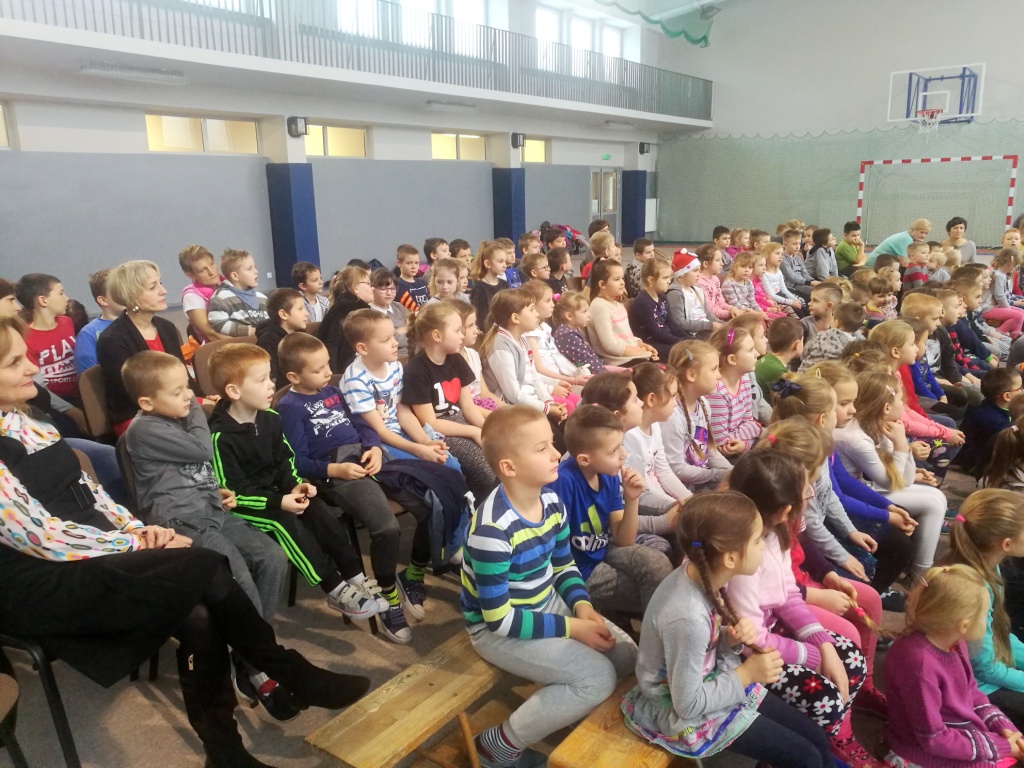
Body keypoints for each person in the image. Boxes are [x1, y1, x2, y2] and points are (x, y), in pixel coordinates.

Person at [0, 316, 369, 768]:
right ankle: (282, 666)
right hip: (39, 577)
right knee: (205, 564)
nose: (33, 367)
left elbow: (90, 494)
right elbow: (40, 536)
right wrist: (136, 543)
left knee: (200, 615)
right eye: (14, 362)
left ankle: (225, 751)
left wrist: (135, 529)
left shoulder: (27, 422)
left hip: (95, 548)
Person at [122, 350, 303, 721]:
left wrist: (216, 490)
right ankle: (258, 667)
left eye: (187, 386)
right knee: (241, 581)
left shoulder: (176, 415)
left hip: (211, 510)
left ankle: (246, 652)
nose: (188, 395)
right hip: (181, 521)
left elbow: (194, 469)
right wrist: (197, 406)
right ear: (147, 402)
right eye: (177, 392)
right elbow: (202, 449)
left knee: (272, 558)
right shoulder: (143, 429)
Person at [461, 405, 637, 768]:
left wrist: (582, 606)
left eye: (551, 444)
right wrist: (572, 627)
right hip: (497, 630)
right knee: (597, 678)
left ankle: (568, 711)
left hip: (546, 603)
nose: (557, 453)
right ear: (509, 467)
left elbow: (563, 564)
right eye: (542, 448)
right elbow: (499, 620)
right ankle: (497, 746)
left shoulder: (551, 500)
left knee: (626, 656)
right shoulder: (493, 531)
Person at [622, 491, 834, 767]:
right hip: (685, 711)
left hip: (711, 681)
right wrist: (746, 674)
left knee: (816, 738)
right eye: (757, 540)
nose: (763, 545)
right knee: (807, 758)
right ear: (730, 558)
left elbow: (704, 646)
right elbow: (687, 704)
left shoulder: (704, 574)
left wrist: (729, 639)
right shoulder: (687, 615)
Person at [728, 449, 881, 767]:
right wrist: (814, 657)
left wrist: (822, 645)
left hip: (770, 632)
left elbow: (787, 594)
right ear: (785, 510)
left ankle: (827, 739)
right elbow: (751, 642)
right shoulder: (743, 556)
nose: (811, 492)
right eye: (806, 490)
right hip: (747, 657)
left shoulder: (774, 534)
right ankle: (807, 743)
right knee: (825, 698)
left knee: (850, 659)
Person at [275, 333, 430, 643]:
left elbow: (362, 425)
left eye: (327, 365)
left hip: (365, 456)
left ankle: (412, 574)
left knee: (428, 503)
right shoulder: (289, 408)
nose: (328, 372)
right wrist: (335, 470)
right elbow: (297, 461)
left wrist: (373, 447)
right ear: (293, 376)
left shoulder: (332, 391)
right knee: (386, 528)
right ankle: (388, 595)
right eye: (318, 369)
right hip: (337, 471)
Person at [884, 564, 1023, 768]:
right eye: (986, 615)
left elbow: (971, 691)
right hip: (921, 752)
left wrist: (1002, 727)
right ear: (964, 625)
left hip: (956, 733)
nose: (989, 621)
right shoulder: (920, 665)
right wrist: (1002, 746)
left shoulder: (955, 642)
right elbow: (933, 738)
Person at [553, 403, 673, 613]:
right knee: (656, 589)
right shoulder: (563, 482)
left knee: (658, 561)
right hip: (580, 570)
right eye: (613, 450)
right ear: (584, 460)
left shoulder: (608, 475)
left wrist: (632, 499)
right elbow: (557, 554)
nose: (623, 454)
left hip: (604, 548)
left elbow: (623, 539)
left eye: (621, 445)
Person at [833, 371, 947, 583]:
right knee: (932, 504)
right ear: (886, 408)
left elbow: (902, 477)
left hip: (865, 487)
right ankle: (920, 575)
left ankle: (917, 568)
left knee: (937, 497)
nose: (904, 406)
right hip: (861, 492)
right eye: (901, 401)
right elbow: (893, 482)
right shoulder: (854, 437)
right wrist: (902, 445)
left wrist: (907, 458)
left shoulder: (878, 425)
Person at [942, 490, 1024, 729]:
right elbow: (984, 667)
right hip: (974, 688)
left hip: (984, 670)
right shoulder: (973, 590)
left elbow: (998, 633)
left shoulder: (987, 566)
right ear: (1006, 544)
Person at [402, 301, 498, 501]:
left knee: (502, 455)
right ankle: (475, 512)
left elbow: (468, 407)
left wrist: (487, 430)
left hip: (461, 421)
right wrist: (473, 432)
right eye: (457, 330)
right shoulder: (416, 370)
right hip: (441, 433)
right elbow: (431, 422)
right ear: (437, 336)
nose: (462, 335)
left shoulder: (456, 360)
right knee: (486, 473)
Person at [341, 308, 458, 467]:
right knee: (432, 470)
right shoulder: (355, 380)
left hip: (402, 432)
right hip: (380, 443)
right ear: (363, 348)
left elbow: (403, 411)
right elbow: (380, 430)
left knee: (451, 464)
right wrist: (418, 450)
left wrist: (425, 441)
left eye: (394, 335)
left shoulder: (394, 365)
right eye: (386, 339)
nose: (395, 343)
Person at [96, 260, 193, 435]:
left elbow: (183, 374)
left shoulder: (167, 328)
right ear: (132, 296)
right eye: (152, 287)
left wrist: (203, 397)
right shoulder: (112, 340)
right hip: (139, 417)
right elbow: (132, 394)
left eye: (160, 283)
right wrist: (195, 403)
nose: (163, 291)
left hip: (175, 403)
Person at [481, 288, 570, 433]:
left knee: (567, 426)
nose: (537, 314)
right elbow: (513, 395)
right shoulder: (500, 348)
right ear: (515, 318)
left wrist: (548, 401)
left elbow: (533, 376)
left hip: (530, 403)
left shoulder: (521, 339)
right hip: (514, 409)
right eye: (532, 310)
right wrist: (546, 409)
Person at [624, 363, 692, 518]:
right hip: (647, 507)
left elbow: (664, 471)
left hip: (663, 501)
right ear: (652, 399)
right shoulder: (631, 436)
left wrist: (689, 499)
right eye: (672, 396)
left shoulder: (655, 426)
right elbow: (644, 489)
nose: (676, 402)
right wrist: (677, 506)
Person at [663, 340, 731, 491]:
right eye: (714, 369)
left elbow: (709, 450)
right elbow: (678, 469)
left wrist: (731, 472)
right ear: (692, 375)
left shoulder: (703, 404)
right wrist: (718, 475)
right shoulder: (672, 417)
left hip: (702, 479)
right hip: (683, 489)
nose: (719, 376)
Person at [16, 272, 78, 402]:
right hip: (54, 401)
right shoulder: (26, 338)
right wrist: (68, 409)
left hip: (79, 392)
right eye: (61, 293)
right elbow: (37, 384)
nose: (66, 298)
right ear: (43, 300)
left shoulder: (67, 322)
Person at [521, 280, 590, 393]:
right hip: (551, 383)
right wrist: (573, 380)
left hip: (562, 377)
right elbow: (539, 369)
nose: (553, 305)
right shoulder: (530, 334)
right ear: (532, 304)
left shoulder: (545, 327)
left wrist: (577, 372)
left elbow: (557, 356)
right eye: (548, 301)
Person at [586, 260, 656, 367]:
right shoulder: (599, 306)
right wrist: (639, 353)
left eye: (622, 278)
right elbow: (610, 345)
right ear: (602, 284)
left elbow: (627, 336)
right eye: (616, 279)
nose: (622, 283)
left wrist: (642, 345)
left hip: (631, 357)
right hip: (617, 362)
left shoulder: (618, 305)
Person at [706, 326, 763, 457]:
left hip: (742, 447)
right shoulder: (717, 393)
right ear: (732, 359)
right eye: (750, 350)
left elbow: (750, 421)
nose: (757, 354)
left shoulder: (745, 379)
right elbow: (722, 446)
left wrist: (744, 444)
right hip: (721, 458)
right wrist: (754, 432)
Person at [960, 368, 1021, 475]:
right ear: (1007, 396)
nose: (1022, 391)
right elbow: (1009, 448)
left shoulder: (998, 408)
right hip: (979, 465)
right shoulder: (993, 421)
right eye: (1020, 388)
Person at [316, 263, 374, 373]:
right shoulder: (346, 310)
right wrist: (335, 377)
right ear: (355, 288)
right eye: (368, 283)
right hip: (346, 371)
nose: (372, 288)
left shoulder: (352, 308)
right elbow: (333, 345)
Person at [628, 257, 684, 359]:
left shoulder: (662, 298)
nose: (669, 281)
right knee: (684, 352)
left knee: (693, 346)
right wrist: (680, 342)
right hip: (650, 343)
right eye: (665, 278)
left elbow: (671, 324)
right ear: (651, 280)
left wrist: (687, 339)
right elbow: (656, 333)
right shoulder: (643, 301)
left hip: (665, 339)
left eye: (669, 278)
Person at [207, 249, 269, 337]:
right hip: (242, 344)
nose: (256, 271)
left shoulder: (262, 298)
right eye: (249, 269)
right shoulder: (221, 297)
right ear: (235, 276)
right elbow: (219, 324)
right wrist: (252, 331)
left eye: (255, 267)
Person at [74, 268, 124, 374]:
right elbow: (87, 376)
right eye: (119, 291)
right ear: (103, 300)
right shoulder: (88, 333)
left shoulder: (139, 323)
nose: (127, 295)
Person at [256, 288, 308, 386]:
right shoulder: (268, 340)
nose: (306, 314)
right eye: (300, 309)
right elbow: (272, 376)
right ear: (283, 314)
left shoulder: (301, 334)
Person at [553, 291, 615, 374]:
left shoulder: (574, 329)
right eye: (585, 311)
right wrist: (609, 376)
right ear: (569, 316)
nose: (589, 315)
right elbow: (587, 362)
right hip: (584, 375)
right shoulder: (567, 335)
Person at [178, 244, 229, 343]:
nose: (212, 272)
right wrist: (245, 342)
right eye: (203, 270)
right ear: (191, 275)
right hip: (219, 348)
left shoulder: (227, 283)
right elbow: (211, 335)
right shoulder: (191, 297)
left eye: (211, 264)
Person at [665, 250, 718, 341]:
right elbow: (680, 323)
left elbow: (707, 313)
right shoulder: (675, 293)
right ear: (682, 274)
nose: (699, 274)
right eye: (695, 271)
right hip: (693, 335)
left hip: (705, 329)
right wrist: (710, 325)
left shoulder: (697, 290)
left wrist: (723, 324)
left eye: (699, 271)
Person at [796, 302, 865, 372]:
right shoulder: (854, 347)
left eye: (832, 316)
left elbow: (804, 354)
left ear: (837, 323)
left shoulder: (821, 335)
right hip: (828, 377)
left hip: (805, 373)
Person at [368, 267, 410, 358]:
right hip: (392, 358)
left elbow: (415, 329)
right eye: (383, 289)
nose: (389, 293)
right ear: (372, 288)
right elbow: (385, 343)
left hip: (412, 353)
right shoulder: (370, 313)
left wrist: (396, 332)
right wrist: (404, 330)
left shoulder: (398, 306)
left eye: (393, 288)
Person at [982, 249, 1024, 339]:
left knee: (1021, 313)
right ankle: (1000, 333)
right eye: (1016, 265)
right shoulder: (998, 276)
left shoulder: (1001, 274)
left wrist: (1014, 301)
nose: (1015, 268)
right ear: (1011, 263)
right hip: (987, 308)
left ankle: (1014, 336)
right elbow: (999, 296)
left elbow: (1006, 293)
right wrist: (1007, 308)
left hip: (994, 306)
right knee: (1018, 315)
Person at [469, 241, 508, 329]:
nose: (505, 265)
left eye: (505, 261)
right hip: (490, 332)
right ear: (488, 264)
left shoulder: (504, 284)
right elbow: (480, 318)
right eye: (500, 261)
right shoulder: (479, 288)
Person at [695, 244, 738, 321]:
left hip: (720, 318)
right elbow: (710, 310)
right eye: (718, 260)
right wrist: (731, 313)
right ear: (705, 264)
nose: (722, 263)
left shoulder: (715, 279)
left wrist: (732, 308)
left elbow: (720, 303)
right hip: (709, 321)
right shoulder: (699, 283)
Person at [761, 242, 805, 313]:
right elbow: (771, 295)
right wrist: (791, 302)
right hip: (774, 300)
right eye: (777, 253)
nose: (781, 256)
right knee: (794, 309)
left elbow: (784, 290)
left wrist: (795, 300)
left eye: (782, 254)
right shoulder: (763, 274)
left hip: (781, 295)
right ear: (767, 255)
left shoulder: (778, 271)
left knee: (801, 303)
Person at [780, 228, 818, 301]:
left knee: (822, 289)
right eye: (794, 244)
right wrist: (809, 283)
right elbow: (792, 276)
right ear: (785, 244)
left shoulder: (798, 258)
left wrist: (813, 280)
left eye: (799, 243)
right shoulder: (783, 259)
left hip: (803, 284)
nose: (798, 246)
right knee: (816, 292)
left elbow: (805, 273)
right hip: (792, 286)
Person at [395, 244, 429, 312]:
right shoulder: (398, 286)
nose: (414, 267)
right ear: (399, 263)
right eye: (409, 263)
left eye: (416, 263)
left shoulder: (423, 283)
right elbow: (413, 310)